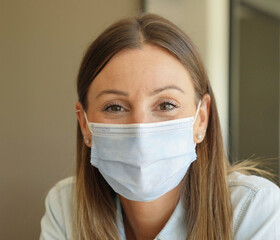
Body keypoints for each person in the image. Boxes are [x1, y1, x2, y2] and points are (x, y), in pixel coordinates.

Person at [40, 13, 280, 240]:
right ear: (84, 124)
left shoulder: (254, 209)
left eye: (166, 105)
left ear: (201, 118)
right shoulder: (65, 206)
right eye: (114, 107)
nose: (140, 130)